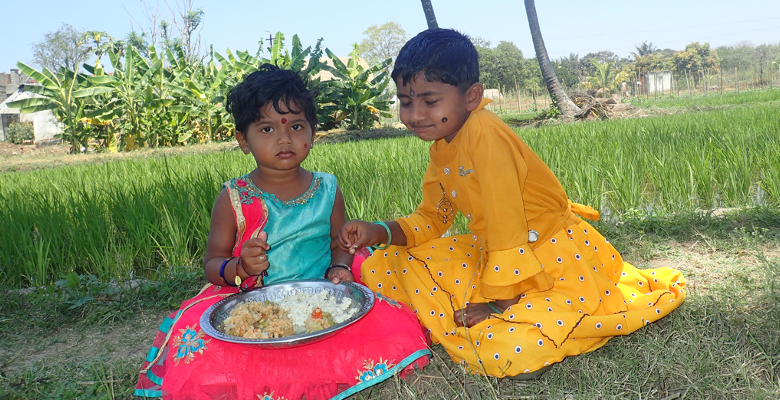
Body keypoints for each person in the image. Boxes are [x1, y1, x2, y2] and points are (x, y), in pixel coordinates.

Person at [337, 29, 686, 379]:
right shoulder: (443, 148)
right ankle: (482, 311)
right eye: (405, 101)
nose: (414, 115)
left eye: (429, 101)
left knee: (503, 353)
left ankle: (512, 318)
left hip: (549, 258)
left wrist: (495, 303)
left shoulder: (486, 135)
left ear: (471, 96)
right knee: (386, 262)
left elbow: (508, 225)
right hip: (500, 258)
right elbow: (432, 217)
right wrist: (378, 231)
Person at [135, 64, 430, 399]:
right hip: (253, 302)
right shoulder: (233, 198)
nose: (284, 138)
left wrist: (340, 265)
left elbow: (339, 243)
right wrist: (241, 268)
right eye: (266, 129)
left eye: (296, 126)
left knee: (381, 319)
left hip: (320, 295)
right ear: (243, 140)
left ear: (313, 133)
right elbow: (212, 263)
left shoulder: (327, 188)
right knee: (204, 344)